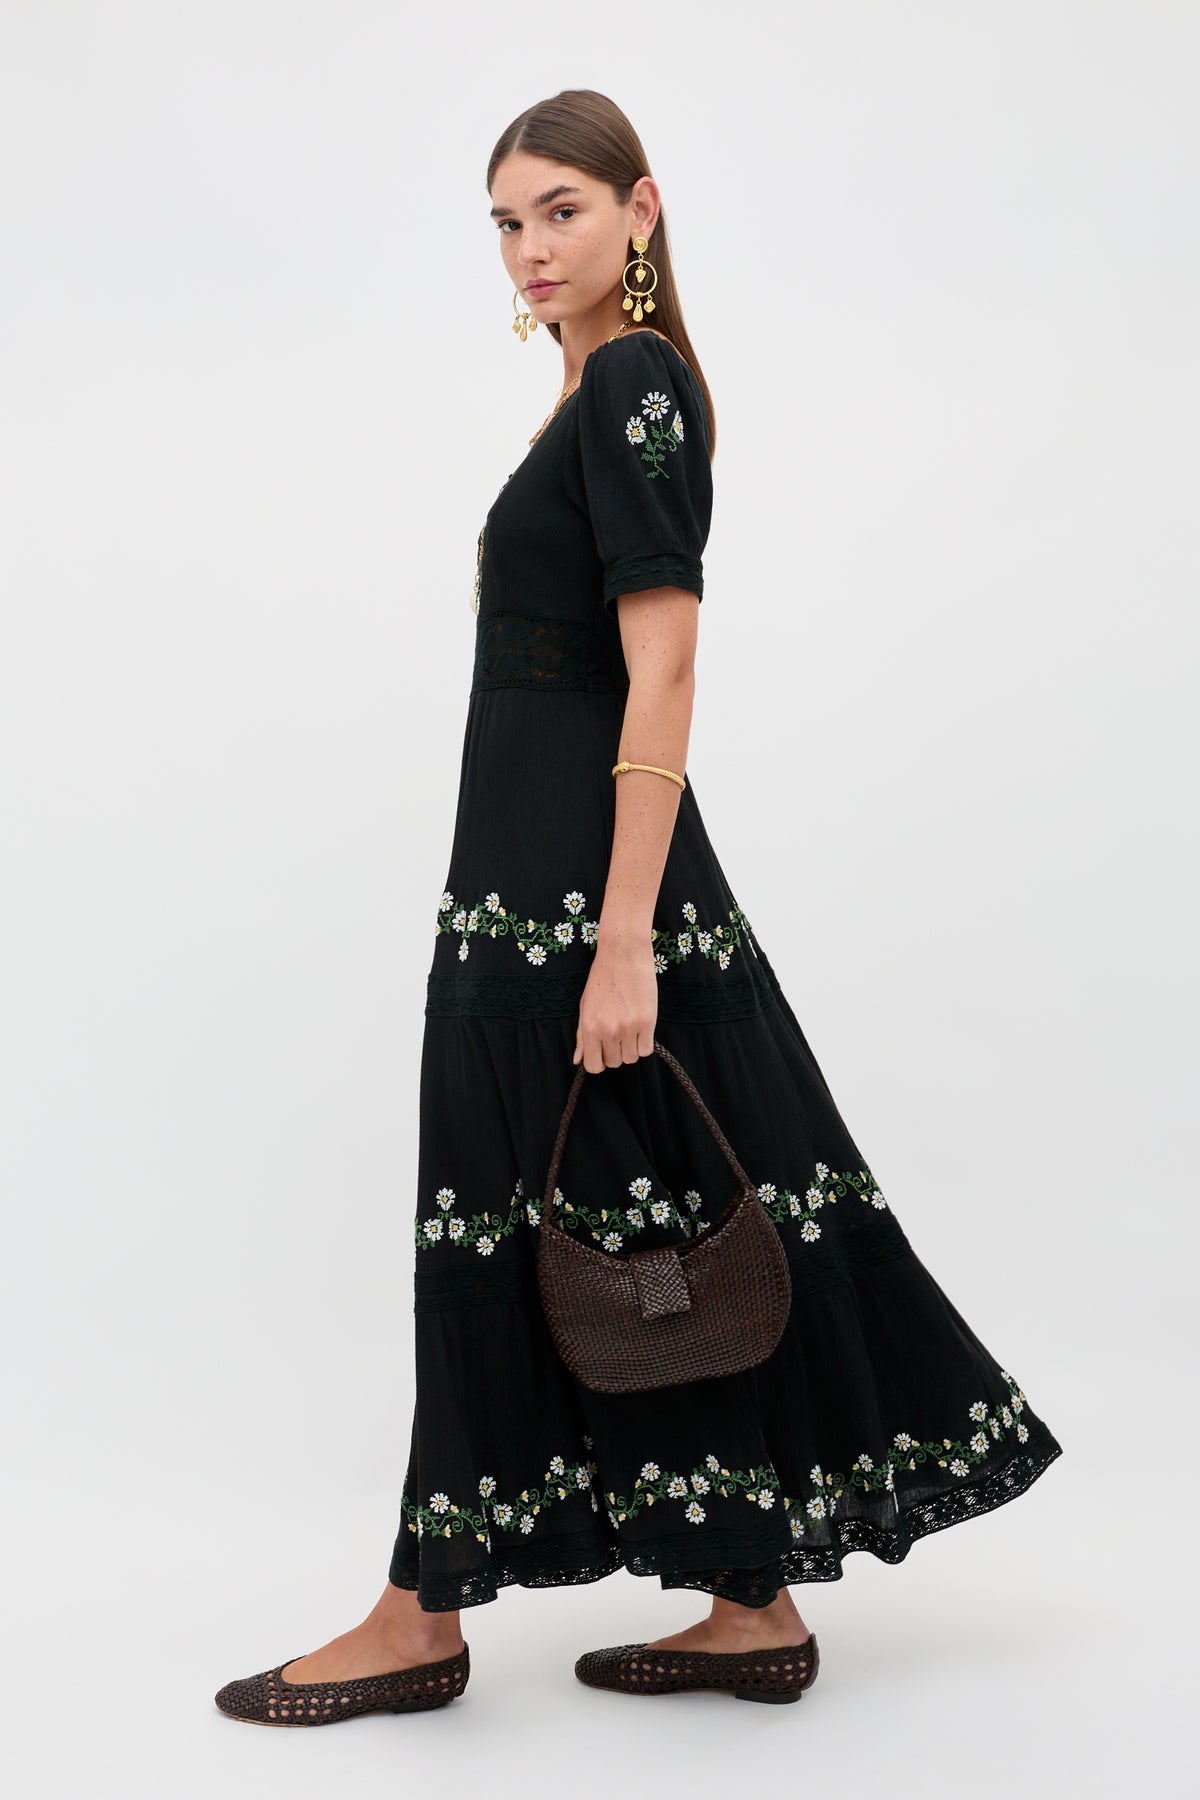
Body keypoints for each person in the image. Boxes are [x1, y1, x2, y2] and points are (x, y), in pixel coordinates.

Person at [215, 88, 1064, 1725]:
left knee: (569, 1221)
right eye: (507, 223)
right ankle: (749, 1603)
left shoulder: (634, 386)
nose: (531, 249)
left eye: (563, 211)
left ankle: (420, 1615)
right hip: (531, 886)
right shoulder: (592, 393)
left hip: (579, 903)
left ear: (641, 211)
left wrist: (620, 942)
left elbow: (664, 667)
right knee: (637, 1221)